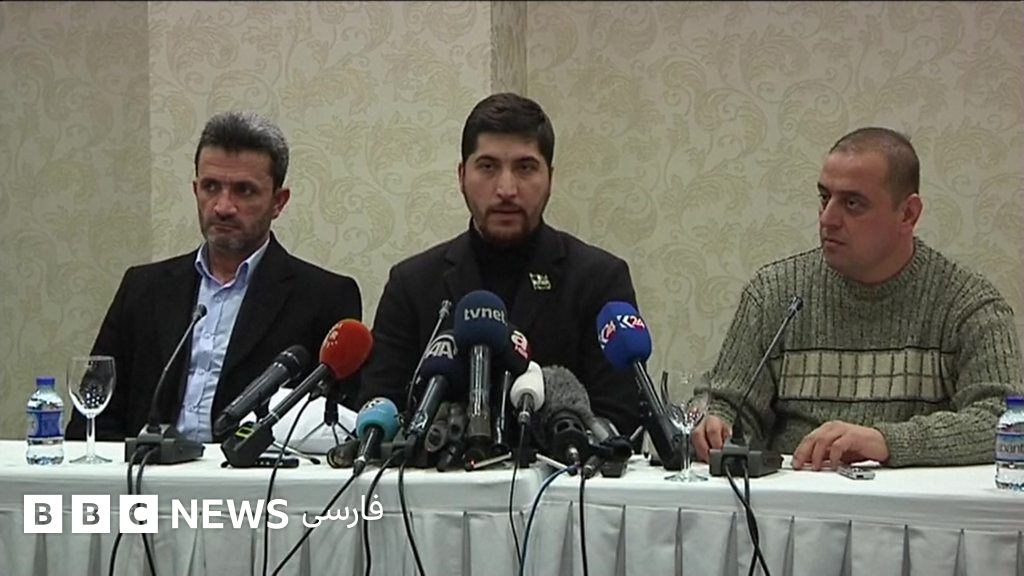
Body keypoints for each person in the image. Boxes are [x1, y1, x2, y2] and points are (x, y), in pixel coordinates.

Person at [692, 127, 1023, 469]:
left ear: (908, 214)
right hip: (795, 493)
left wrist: (886, 441)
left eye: (852, 203)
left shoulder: (968, 304)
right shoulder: (773, 293)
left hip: (911, 500)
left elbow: (1003, 420)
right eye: (824, 198)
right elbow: (725, 404)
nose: (828, 218)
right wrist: (715, 422)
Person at [66, 111, 361, 443]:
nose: (223, 206)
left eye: (244, 191)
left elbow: (336, 426)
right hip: (146, 470)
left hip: (253, 473)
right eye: (211, 187)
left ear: (278, 202)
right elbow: (93, 417)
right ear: (196, 190)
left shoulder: (324, 297)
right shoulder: (144, 288)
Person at [360, 92, 641, 437]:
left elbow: (620, 417)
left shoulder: (599, 279)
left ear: (550, 178)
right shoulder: (412, 284)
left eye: (525, 168)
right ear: (462, 176)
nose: (506, 189)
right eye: (488, 167)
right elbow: (380, 409)